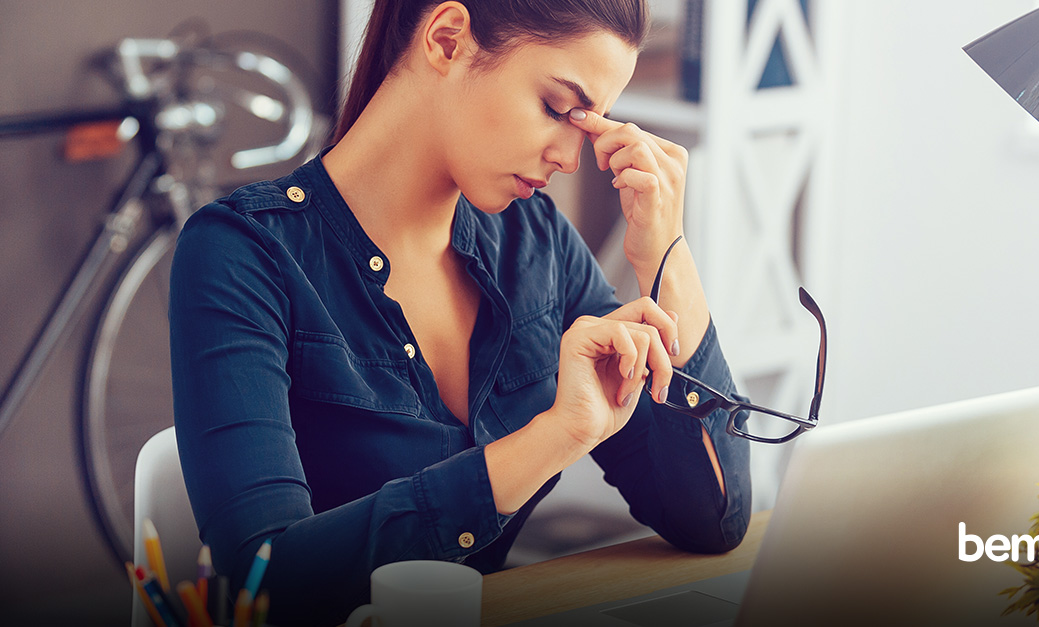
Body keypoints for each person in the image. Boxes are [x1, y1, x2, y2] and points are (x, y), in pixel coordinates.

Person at [169, 1, 750, 624]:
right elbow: (267, 581)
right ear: (447, 41)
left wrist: (666, 251)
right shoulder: (242, 254)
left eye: (589, 125)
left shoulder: (538, 246)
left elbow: (713, 521)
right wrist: (552, 438)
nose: (570, 157)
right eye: (558, 108)